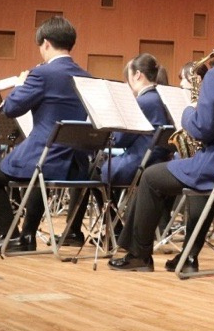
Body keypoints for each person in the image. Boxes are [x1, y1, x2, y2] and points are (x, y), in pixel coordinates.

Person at [110, 5, 214, 273]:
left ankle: (138, 255)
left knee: (151, 177)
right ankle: (191, 255)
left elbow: (201, 130)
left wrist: (188, 112)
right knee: (198, 181)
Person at [0, 17, 91, 253]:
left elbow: (12, 109)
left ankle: (9, 235)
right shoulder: (87, 77)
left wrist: (20, 84)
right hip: (75, 165)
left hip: (45, 157)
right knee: (38, 170)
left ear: (46, 43)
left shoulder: (42, 74)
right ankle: (27, 236)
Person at [59, 54, 172, 245]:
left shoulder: (143, 101)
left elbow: (119, 139)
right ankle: (114, 229)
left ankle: (112, 230)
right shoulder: (159, 98)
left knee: (92, 173)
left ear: (137, 75)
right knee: (97, 170)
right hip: (155, 160)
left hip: (140, 162)